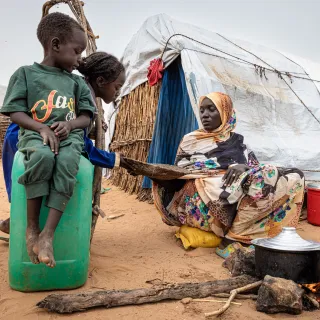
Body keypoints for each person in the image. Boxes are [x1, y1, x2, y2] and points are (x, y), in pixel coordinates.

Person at [0, 13, 129, 268]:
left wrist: (71, 125)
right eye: (76, 51)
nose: (79, 58)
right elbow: (15, 112)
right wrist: (40, 128)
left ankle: (43, 233)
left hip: (61, 138)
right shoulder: (29, 75)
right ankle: (29, 227)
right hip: (28, 135)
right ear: (56, 44)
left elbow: (82, 123)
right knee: (39, 161)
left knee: (66, 161)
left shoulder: (77, 86)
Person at [152, 92, 305, 244]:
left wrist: (243, 168)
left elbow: (259, 174)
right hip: (203, 206)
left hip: (238, 203)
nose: (205, 115)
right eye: (202, 110)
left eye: (211, 109)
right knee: (254, 179)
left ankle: (238, 232)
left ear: (226, 112)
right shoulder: (190, 141)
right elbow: (179, 180)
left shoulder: (239, 143)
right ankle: (234, 238)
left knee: (294, 176)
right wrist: (154, 174)